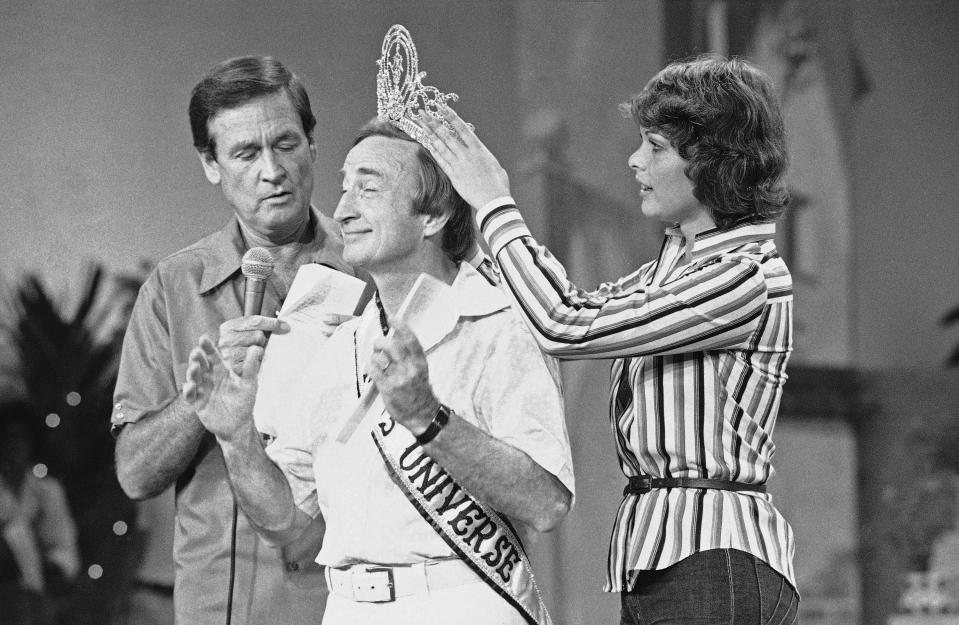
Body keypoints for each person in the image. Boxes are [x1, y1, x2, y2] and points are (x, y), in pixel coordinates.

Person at [417, 55, 799, 624]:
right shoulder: (665, 273)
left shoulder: (745, 275)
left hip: (715, 557)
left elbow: (564, 325)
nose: (635, 160)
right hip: (662, 556)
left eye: (656, 147)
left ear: (715, 161)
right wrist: (466, 218)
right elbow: (558, 301)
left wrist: (495, 202)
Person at [181, 118, 575, 625]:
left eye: (367, 188)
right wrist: (236, 437)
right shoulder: (336, 346)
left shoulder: (498, 325)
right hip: (347, 608)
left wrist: (427, 418)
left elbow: (546, 503)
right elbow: (286, 523)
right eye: (344, 188)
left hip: (464, 602)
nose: (342, 210)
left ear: (433, 215)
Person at [112, 55, 355, 625]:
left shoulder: (372, 269)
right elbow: (134, 474)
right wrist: (204, 399)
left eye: (287, 144)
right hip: (220, 606)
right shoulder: (174, 288)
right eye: (246, 153)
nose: (272, 170)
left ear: (313, 146)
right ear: (211, 165)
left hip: (347, 599)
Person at [0, 400, 80, 625]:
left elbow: (65, 549)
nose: (13, 446)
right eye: (8, 438)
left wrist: (37, 564)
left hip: (34, 599)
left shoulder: (48, 492)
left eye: (20, 438)